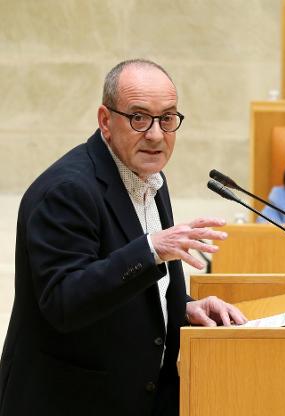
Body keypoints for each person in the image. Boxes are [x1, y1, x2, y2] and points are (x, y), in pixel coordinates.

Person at [0, 59, 247, 416]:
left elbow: (132, 284)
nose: (156, 134)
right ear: (105, 121)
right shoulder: (67, 192)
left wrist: (183, 307)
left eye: (167, 118)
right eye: (139, 118)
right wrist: (150, 249)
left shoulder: (149, 177)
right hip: (69, 400)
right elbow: (64, 301)